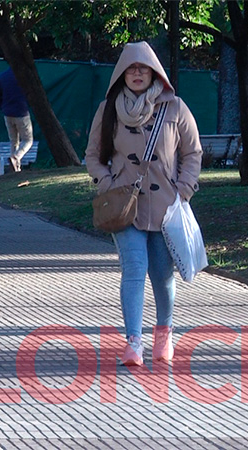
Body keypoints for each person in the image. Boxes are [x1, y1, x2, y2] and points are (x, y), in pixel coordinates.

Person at [84, 42, 202, 366]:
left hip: (166, 208)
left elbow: (192, 153)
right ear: (122, 74)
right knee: (134, 269)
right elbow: (93, 156)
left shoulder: (175, 107)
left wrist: (184, 189)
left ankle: (164, 332)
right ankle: (133, 343)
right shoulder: (107, 109)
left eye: (143, 68)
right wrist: (107, 183)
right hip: (124, 206)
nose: (137, 74)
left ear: (154, 74)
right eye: (131, 68)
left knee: (163, 274)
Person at [0, 67, 33, 172]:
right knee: (28, 140)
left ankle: (16, 168)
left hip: (7, 113)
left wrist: (3, 108)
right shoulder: (24, 76)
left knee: (14, 141)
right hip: (22, 112)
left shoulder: (2, 76)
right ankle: (16, 158)